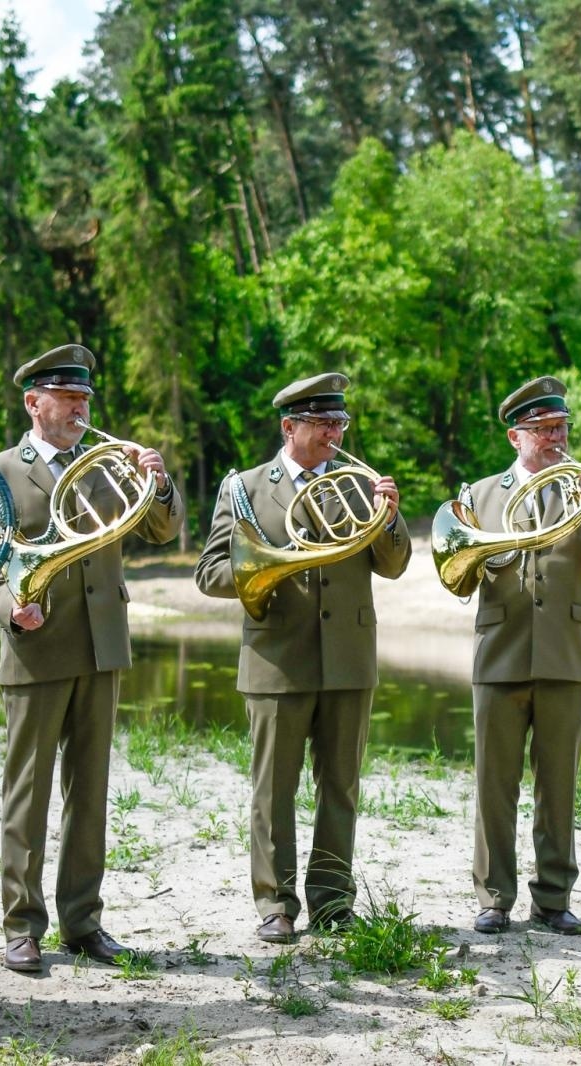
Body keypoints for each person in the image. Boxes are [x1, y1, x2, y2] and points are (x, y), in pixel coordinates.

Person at [0, 344, 182, 973]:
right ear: (34, 403)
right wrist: (11, 609)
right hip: (36, 647)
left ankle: (83, 922)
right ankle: (21, 926)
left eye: (86, 397)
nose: (81, 407)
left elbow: (162, 532)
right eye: (68, 397)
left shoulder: (110, 467)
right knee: (26, 793)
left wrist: (158, 484)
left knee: (90, 793)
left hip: (101, 646)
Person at [194, 372, 410, 944]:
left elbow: (393, 565)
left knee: (340, 787)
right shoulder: (242, 488)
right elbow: (211, 572)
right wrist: (273, 568)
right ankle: (275, 905)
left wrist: (390, 519)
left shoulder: (361, 486)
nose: (335, 434)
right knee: (274, 789)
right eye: (322, 424)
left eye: (340, 423)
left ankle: (334, 904)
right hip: (276, 659)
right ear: (290, 427)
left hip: (348, 657)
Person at [458, 376, 581, 936]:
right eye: (544, 430)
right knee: (495, 783)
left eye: (561, 428)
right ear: (517, 436)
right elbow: (456, 575)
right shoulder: (479, 494)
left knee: (558, 784)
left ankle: (553, 898)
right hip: (500, 651)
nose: (557, 438)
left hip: (564, 652)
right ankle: (493, 898)